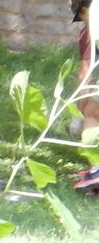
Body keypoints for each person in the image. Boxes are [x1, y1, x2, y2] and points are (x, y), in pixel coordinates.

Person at [74, 2, 99, 192]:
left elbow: (85, 73)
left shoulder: (91, 31)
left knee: (92, 113)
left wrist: (79, 110)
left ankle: (96, 169)